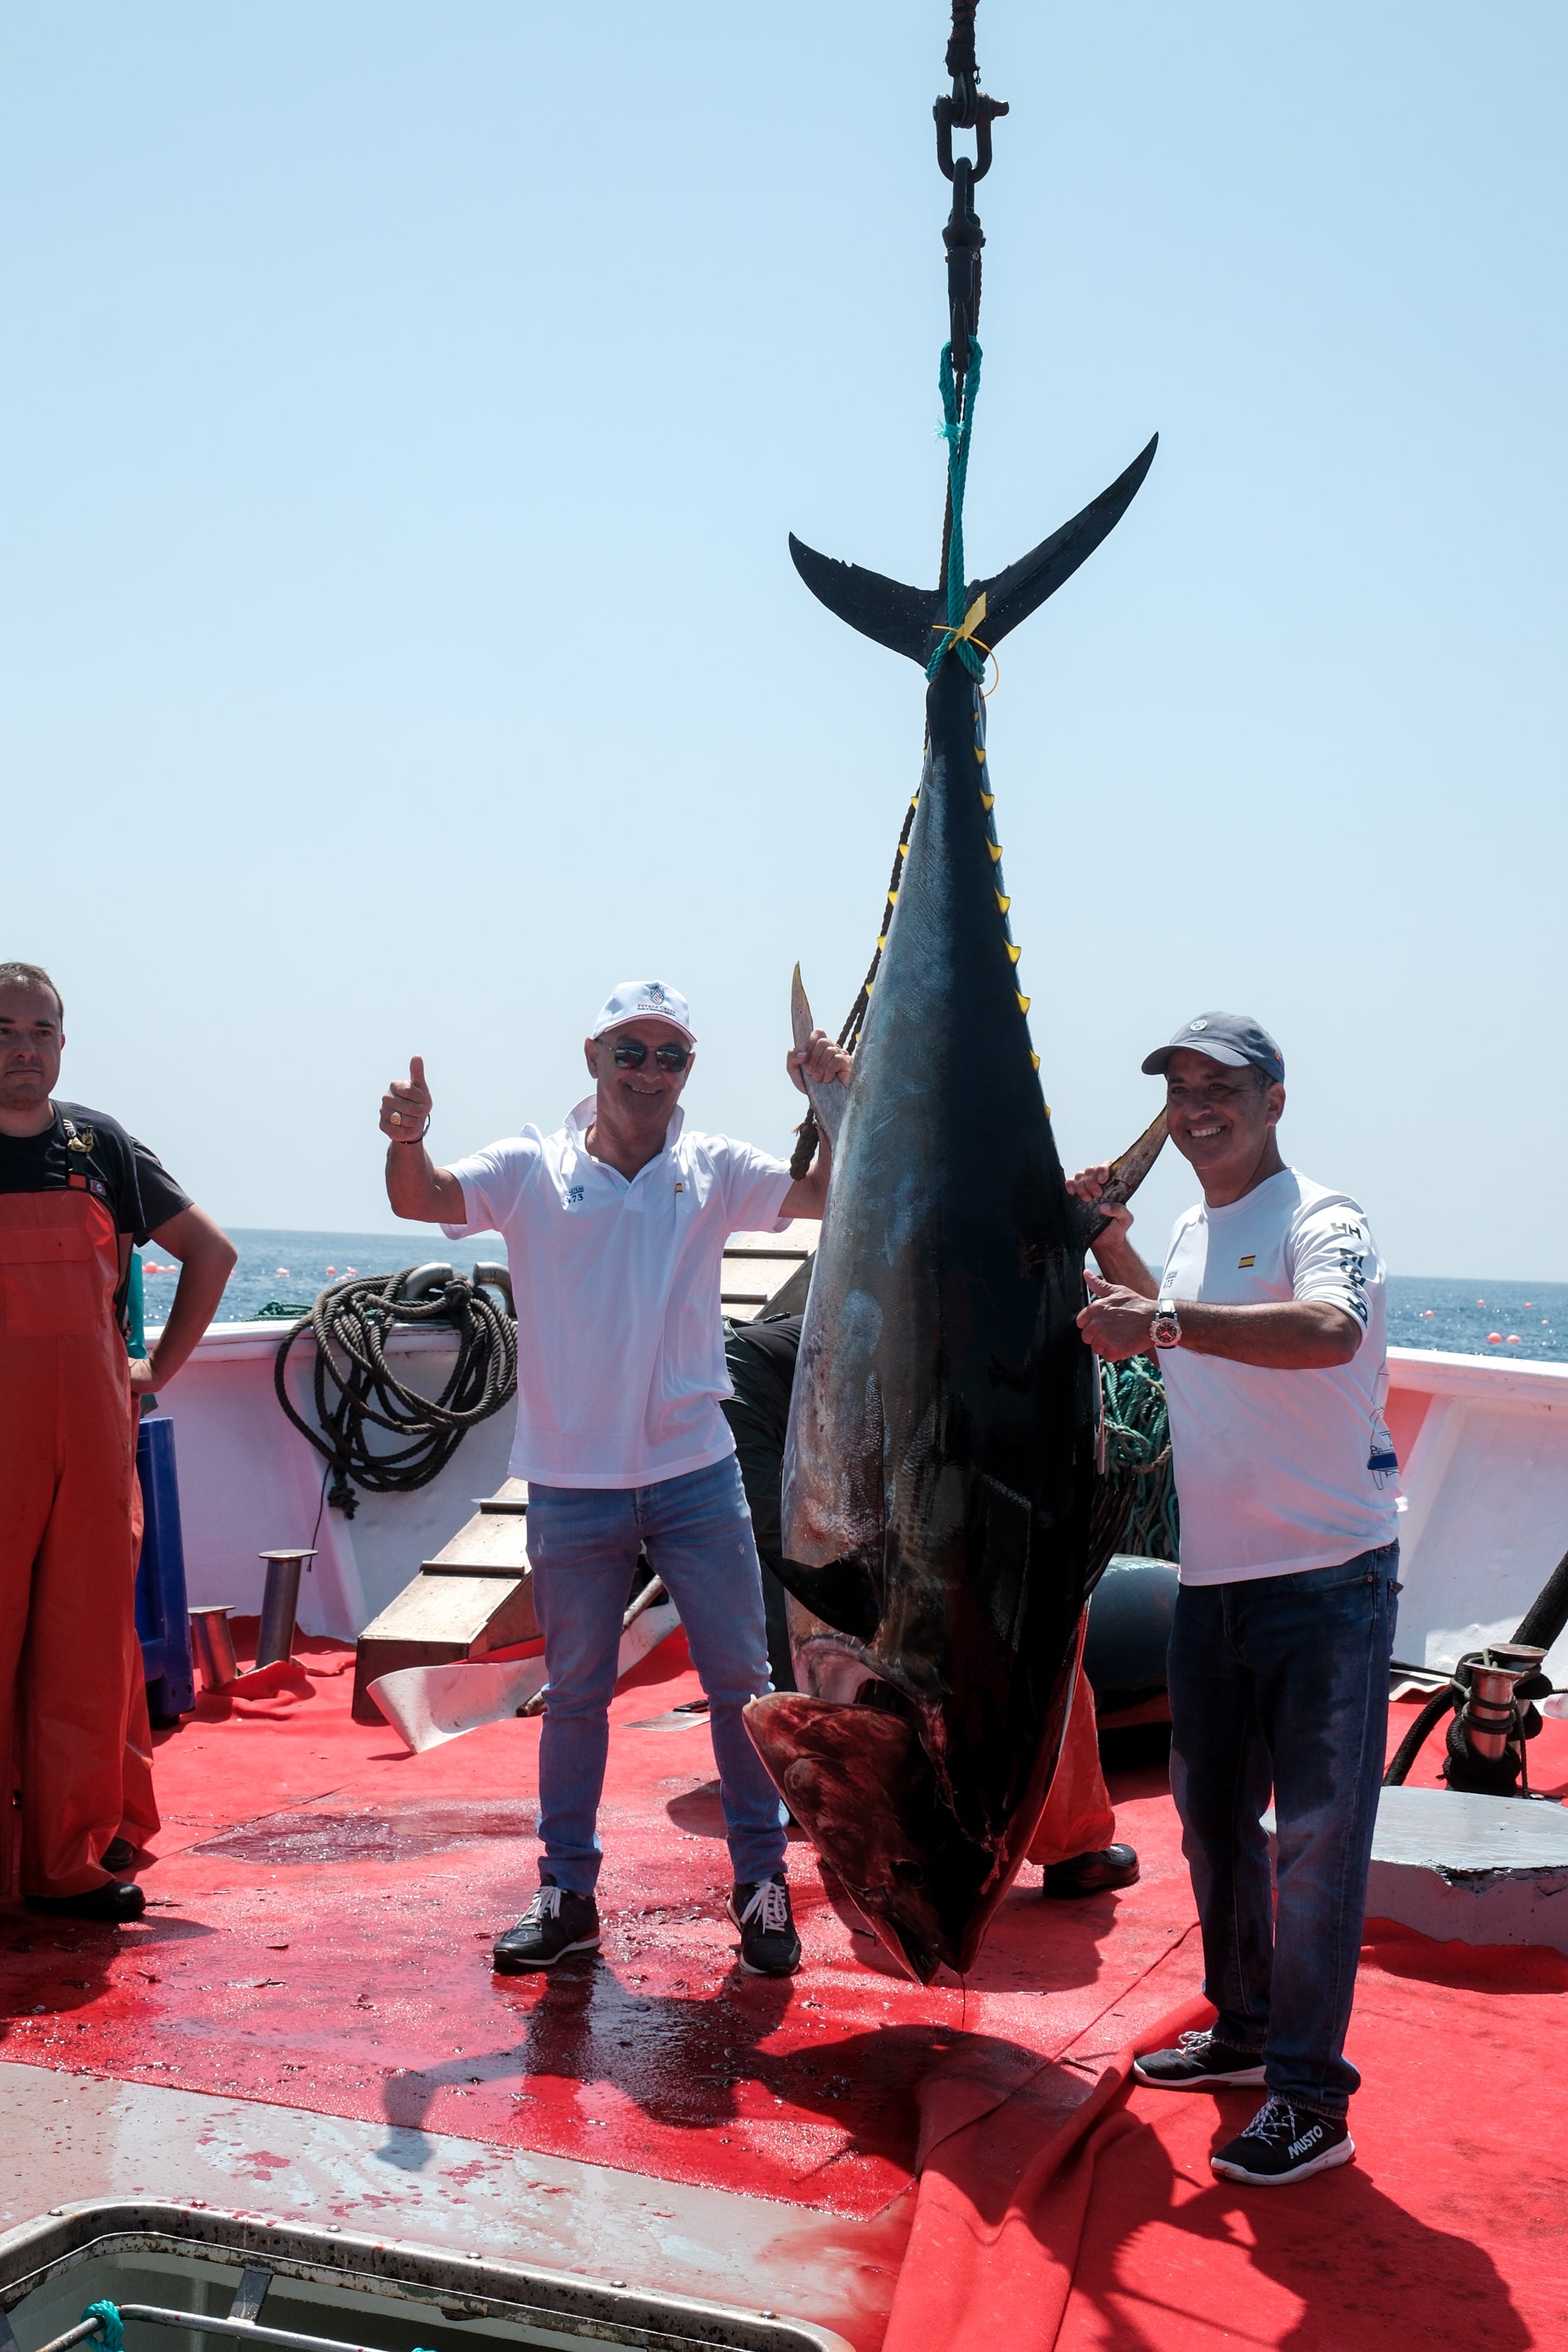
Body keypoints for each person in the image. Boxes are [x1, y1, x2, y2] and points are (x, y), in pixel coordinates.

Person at [381, 981, 848, 1978]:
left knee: (741, 1687)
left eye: (670, 1055)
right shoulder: (526, 1165)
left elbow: (826, 1196)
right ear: (592, 1055)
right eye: (631, 1051)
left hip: (695, 1470)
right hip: (570, 1483)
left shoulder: (714, 1166)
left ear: (690, 1070)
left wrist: (832, 1107)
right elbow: (419, 1201)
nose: (649, 1071)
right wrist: (408, 1138)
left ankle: (761, 1886)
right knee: (577, 1695)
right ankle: (566, 1894)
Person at [1074, 1011, 1399, 2188]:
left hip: (1327, 1579)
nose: (1197, 1105)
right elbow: (1183, 1345)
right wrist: (1115, 1251)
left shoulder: (1324, 1217)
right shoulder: (1186, 1225)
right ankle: (1247, 2027)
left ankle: (1312, 2096)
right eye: (1179, 1087)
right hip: (1211, 1584)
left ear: (1272, 1099)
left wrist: (1157, 1314)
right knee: (1212, 1824)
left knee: (1314, 1844)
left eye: (1221, 1086)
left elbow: (1326, 1328)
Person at [720, 1308, 1139, 1898]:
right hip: (750, 1394)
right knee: (811, 1607)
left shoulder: (1004, 1347)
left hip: (870, 1411)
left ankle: (1072, 1839)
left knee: (1002, 1626)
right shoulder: (967, 1337)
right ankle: (845, 1827)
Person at [0, 962, 236, 1921]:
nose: (22, 1050)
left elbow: (210, 1254)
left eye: (39, 1032)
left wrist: (156, 1371)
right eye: (3, 1031)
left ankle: (69, 1863)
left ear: (63, 1043)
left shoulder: (99, 1145)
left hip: (93, 1435)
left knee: (85, 1643)